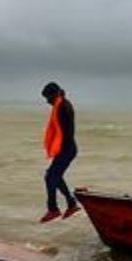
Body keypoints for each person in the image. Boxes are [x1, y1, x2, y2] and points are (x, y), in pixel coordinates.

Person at [40, 81, 80, 223]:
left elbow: (68, 131)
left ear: (55, 94)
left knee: (50, 177)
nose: (47, 102)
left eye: (48, 98)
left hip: (67, 149)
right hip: (66, 148)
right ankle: (71, 203)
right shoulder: (61, 104)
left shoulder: (63, 106)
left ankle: (53, 209)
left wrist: (62, 149)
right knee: (54, 177)